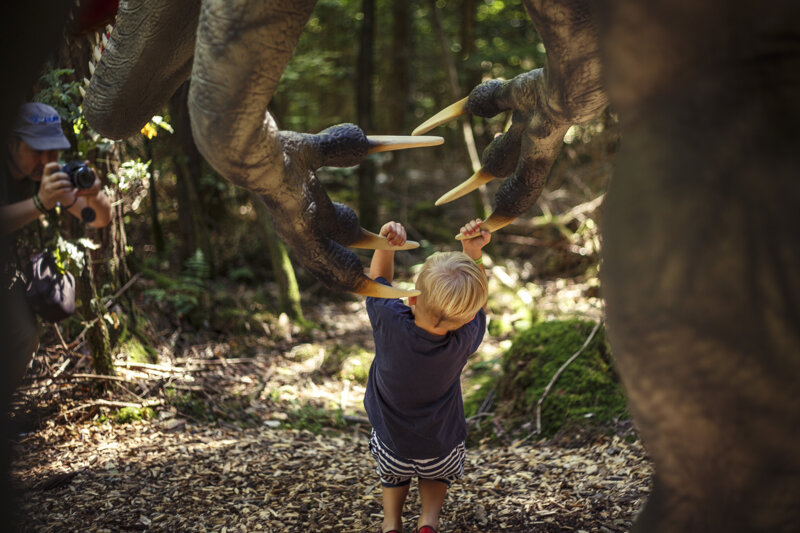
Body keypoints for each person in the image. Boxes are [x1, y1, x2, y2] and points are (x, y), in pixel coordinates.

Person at [365, 218, 491, 533]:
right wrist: (472, 252)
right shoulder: (464, 339)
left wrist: (386, 243)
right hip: (442, 449)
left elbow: (378, 278)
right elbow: (480, 306)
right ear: (468, 316)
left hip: (392, 445)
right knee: (436, 475)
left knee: (392, 475)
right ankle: (429, 520)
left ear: (412, 298)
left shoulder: (389, 321)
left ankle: (391, 523)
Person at [1, 102, 112, 388]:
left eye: (53, 150)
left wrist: (93, 194)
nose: (48, 159)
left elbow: (100, 219)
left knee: (24, 336)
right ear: (13, 144)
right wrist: (40, 203)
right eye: (38, 150)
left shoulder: (50, 175)